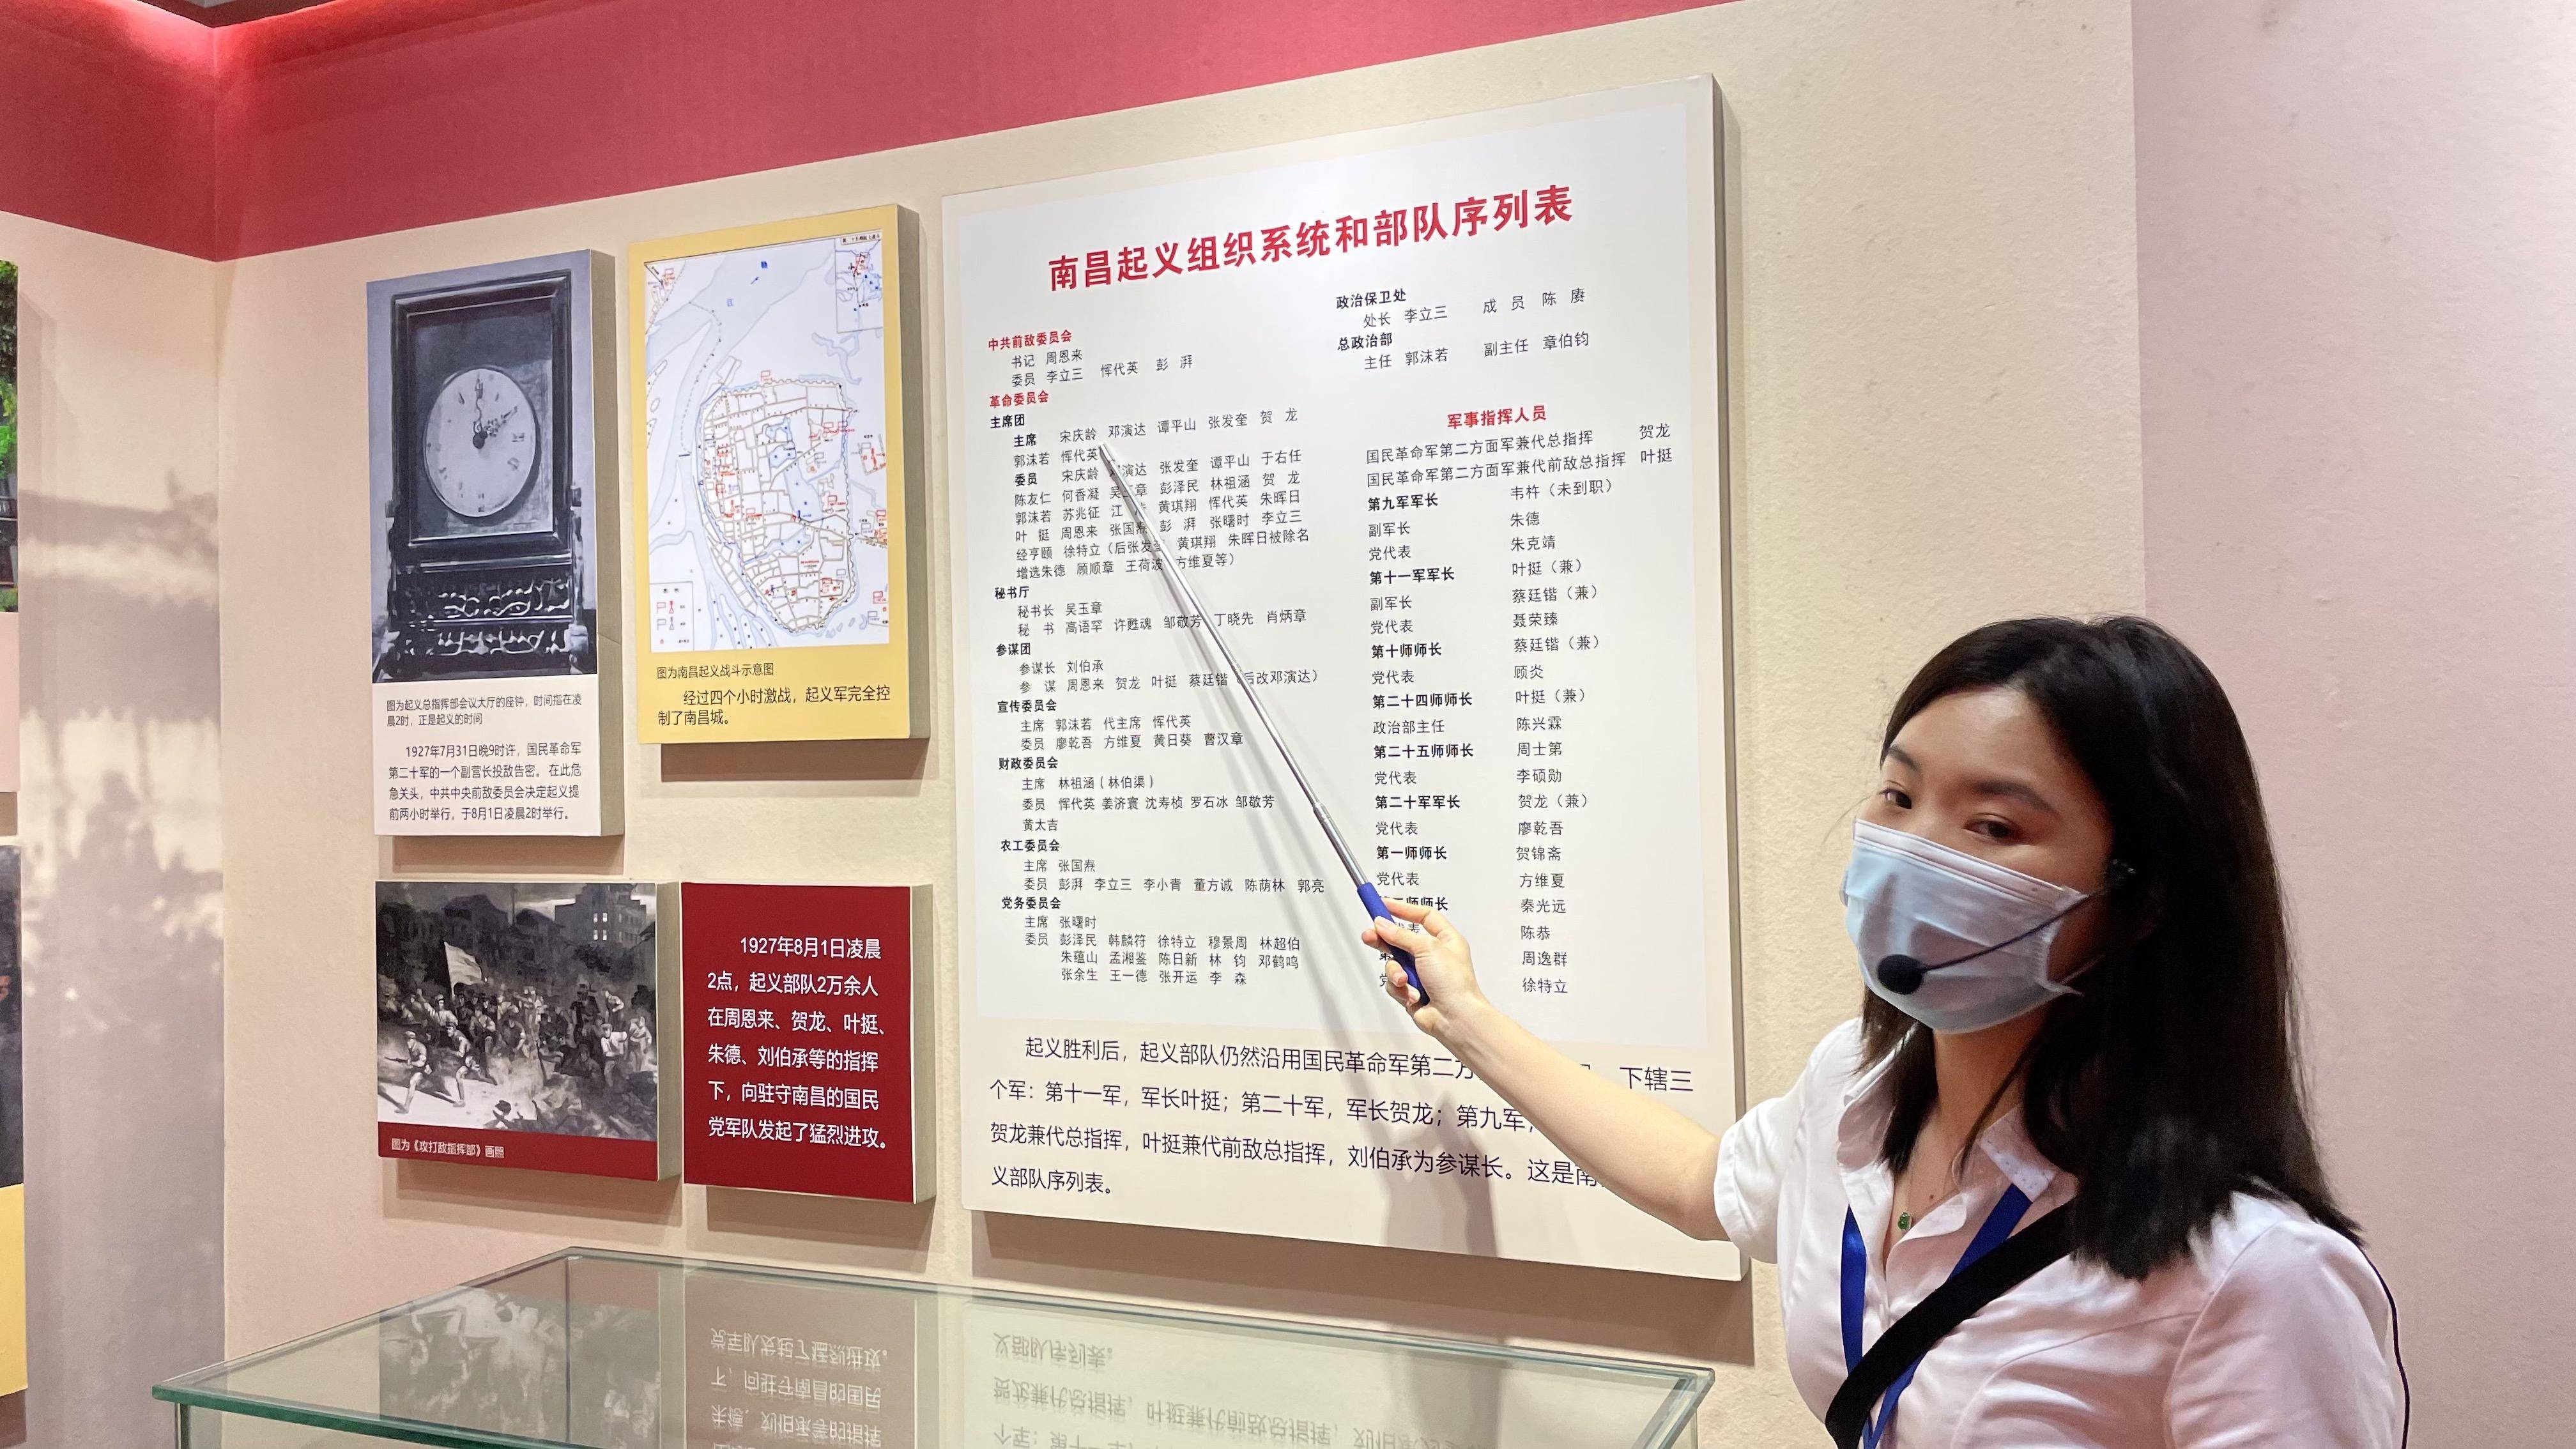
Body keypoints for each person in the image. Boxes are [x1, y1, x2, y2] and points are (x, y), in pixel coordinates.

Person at [1364, 617, 2405, 1448]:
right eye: (1899, 795)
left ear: (2143, 896)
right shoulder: (1855, 1089)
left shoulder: (2260, 1278)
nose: (1912, 851)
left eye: (1993, 826)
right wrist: (1469, 1019)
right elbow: (1695, 1182)